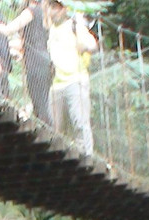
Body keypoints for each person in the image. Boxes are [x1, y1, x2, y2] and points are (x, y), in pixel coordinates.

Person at [0, 0, 52, 125]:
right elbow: (32, 41)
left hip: (35, 63)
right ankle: (48, 132)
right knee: (41, 102)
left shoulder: (31, 11)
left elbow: (8, 30)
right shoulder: (44, 12)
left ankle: (48, 135)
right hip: (42, 61)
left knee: (40, 104)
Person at [45, 0, 97, 154]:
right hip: (57, 84)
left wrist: (80, 21)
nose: (51, 11)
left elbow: (92, 45)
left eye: (55, 7)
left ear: (63, 10)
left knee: (80, 122)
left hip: (76, 80)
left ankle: (86, 157)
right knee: (54, 126)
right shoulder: (51, 30)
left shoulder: (75, 25)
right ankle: (58, 157)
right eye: (50, 7)